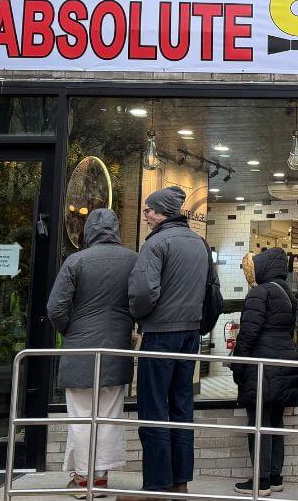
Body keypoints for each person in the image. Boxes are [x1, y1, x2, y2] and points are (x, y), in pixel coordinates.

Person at [124, 187, 218, 500]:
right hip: (191, 334)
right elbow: (210, 291)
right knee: (182, 405)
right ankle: (180, 481)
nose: (146, 215)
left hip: (160, 333)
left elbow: (141, 292)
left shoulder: (156, 243)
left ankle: (155, 484)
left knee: (152, 407)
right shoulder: (200, 243)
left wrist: (139, 318)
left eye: (149, 210)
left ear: (163, 211)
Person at [47, 209, 137, 498]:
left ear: (88, 232)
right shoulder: (134, 260)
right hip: (117, 347)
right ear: (116, 229)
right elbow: (144, 299)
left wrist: (69, 332)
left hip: (80, 348)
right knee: (109, 415)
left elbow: (55, 308)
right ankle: (100, 477)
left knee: (81, 416)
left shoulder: (76, 261)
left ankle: (84, 478)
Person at [231, 249, 298, 497]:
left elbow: (248, 335)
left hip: (263, 363)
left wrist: (237, 366)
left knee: (259, 422)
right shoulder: (288, 294)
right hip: (285, 362)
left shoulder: (259, 293)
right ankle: (274, 476)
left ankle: (260, 481)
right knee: (275, 420)